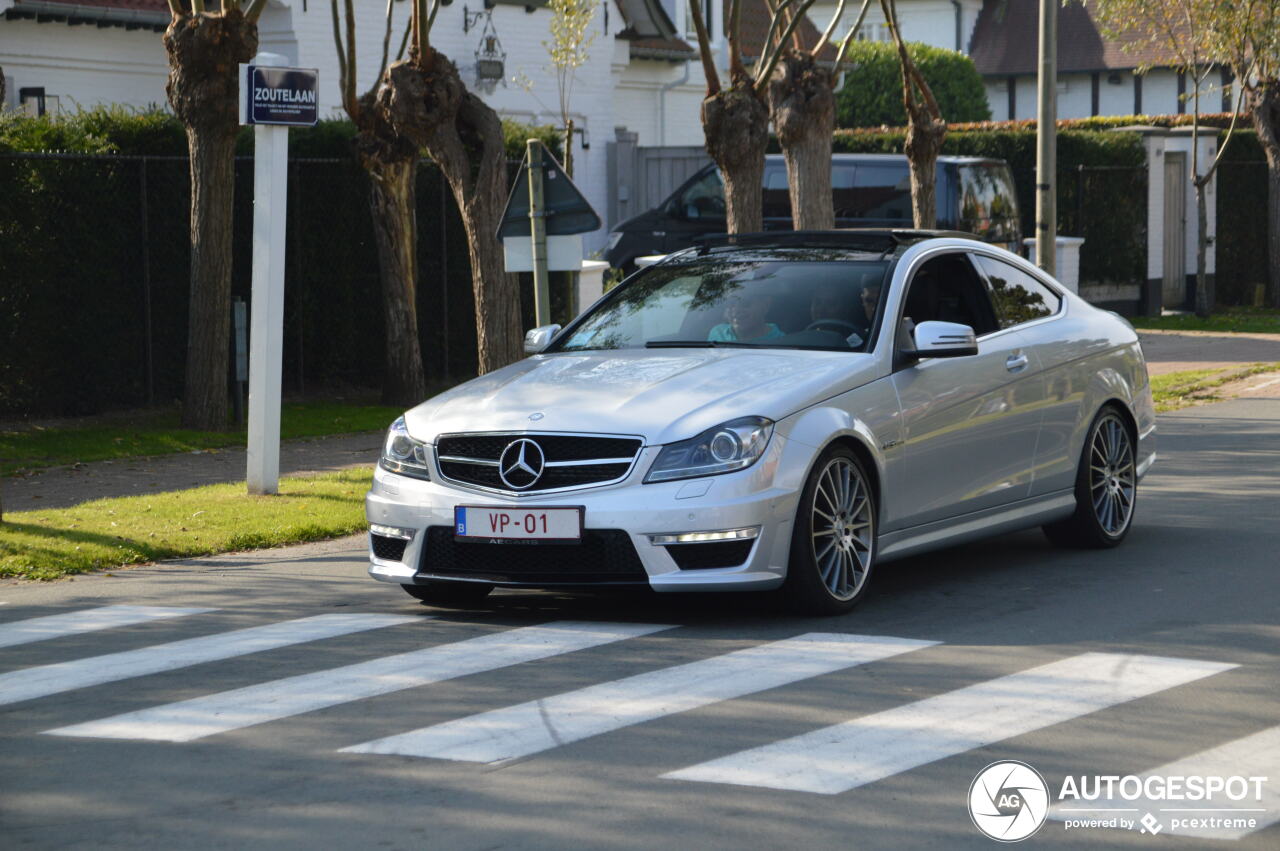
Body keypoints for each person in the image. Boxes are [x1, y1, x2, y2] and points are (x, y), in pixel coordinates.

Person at [707, 291, 785, 342]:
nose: (736, 310)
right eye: (730, 304)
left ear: (765, 306)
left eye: (745, 303)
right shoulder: (717, 332)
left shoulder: (782, 341)